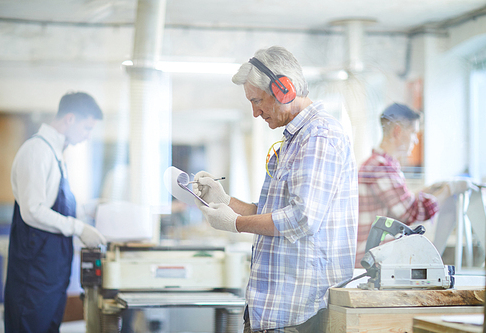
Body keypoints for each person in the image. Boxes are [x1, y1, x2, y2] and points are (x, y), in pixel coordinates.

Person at [193, 46, 358, 332]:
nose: (255, 112)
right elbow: (275, 214)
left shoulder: (318, 136)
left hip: (298, 311)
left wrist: (237, 224)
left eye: (257, 101)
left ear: (284, 89)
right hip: (276, 307)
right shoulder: (296, 139)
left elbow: (301, 218)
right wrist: (226, 201)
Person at [4, 92, 107, 333]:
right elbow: (33, 211)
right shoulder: (37, 151)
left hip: (50, 278)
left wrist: (88, 208)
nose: (87, 136)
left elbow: (56, 207)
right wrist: (79, 228)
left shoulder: (56, 154)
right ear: (70, 119)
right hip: (33, 279)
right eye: (87, 128)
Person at [356, 103, 469, 267]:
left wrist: (430, 189)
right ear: (397, 131)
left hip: (375, 257)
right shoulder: (380, 167)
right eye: (414, 133)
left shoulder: (381, 164)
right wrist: (448, 190)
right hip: (374, 259)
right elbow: (411, 213)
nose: (416, 140)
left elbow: (402, 201)